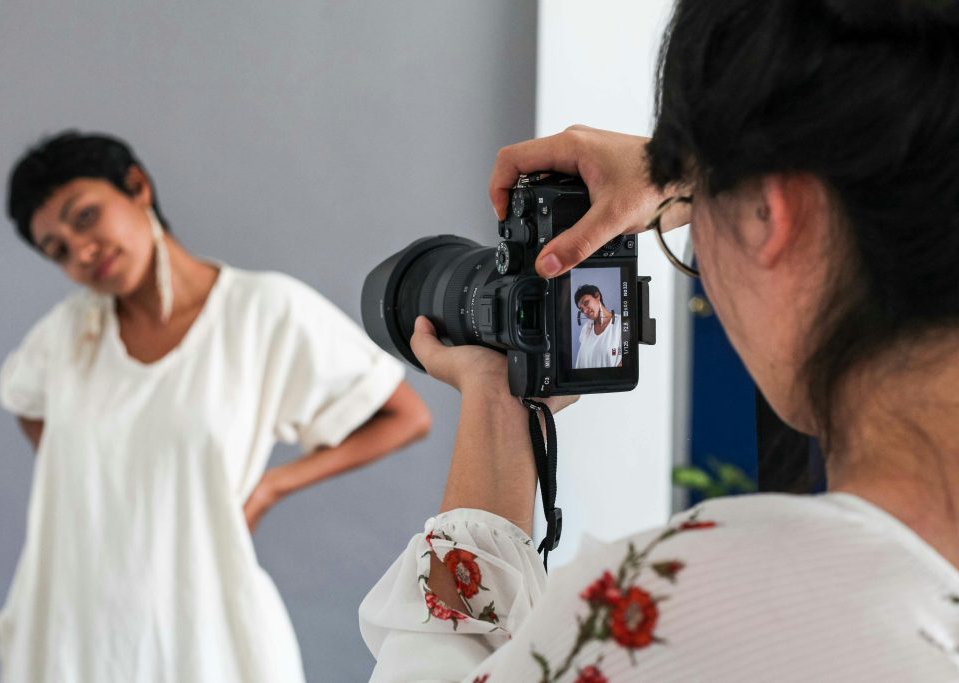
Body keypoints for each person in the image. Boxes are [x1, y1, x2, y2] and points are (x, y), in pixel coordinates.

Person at [359, 0, 959, 680]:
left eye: (695, 228)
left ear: (770, 218)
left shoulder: (673, 615)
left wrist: (497, 411)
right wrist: (716, 176)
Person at [0, 131, 432, 682]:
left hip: (202, 625)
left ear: (136, 186)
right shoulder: (66, 336)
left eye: (85, 217)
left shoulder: (262, 313)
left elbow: (406, 416)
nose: (81, 252)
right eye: (57, 250)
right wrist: (88, 478)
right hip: (74, 626)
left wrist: (271, 486)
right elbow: (24, 401)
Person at [573, 284, 621, 369]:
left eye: (586, 303)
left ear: (597, 296)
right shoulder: (586, 329)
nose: (585, 311)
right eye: (581, 309)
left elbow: (628, 360)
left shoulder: (621, 324)